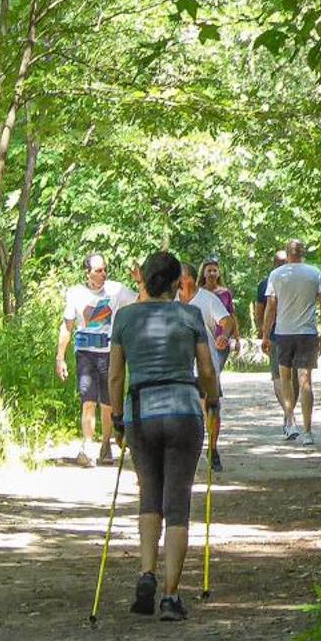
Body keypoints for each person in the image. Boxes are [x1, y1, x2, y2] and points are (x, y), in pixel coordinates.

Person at [109, 250, 220, 621]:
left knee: (148, 497)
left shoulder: (124, 318)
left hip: (141, 412)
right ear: (177, 284)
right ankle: (171, 597)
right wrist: (214, 398)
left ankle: (146, 573)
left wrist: (118, 418)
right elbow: (205, 368)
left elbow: (114, 376)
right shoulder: (189, 315)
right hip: (184, 412)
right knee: (177, 504)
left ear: (143, 279)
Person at [56, 253, 128, 467]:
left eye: (105, 269)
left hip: (109, 353)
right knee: (88, 400)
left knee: (107, 403)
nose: (103, 274)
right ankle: (88, 446)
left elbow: (142, 298)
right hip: (85, 353)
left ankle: (106, 446)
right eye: (98, 270)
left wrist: (142, 280)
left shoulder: (117, 290)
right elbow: (67, 326)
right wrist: (60, 357)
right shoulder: (76, 294)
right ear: (87, 273)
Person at [260, 239, 321, 445]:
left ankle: (290, 423)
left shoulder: (276, 275)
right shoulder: (315, 273)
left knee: (285, 379)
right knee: (305, 380)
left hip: (283, 333)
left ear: (288, 253)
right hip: (307, 333)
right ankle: (308, 431)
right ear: (303, 252)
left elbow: (270, 308)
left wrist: (265, 335)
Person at [179, 263, 236, 473]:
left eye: (181, 277)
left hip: (206, 364)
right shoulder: (172, 300)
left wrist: (224, 334)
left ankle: (212, 449)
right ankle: (187, 451)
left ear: (190, 278)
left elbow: (227, 320)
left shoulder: (207, 299)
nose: (178, 281)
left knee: (212, 406)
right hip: (180, 365)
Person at [253, 249, 287, 397]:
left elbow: (259, 312)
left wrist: (262, 331)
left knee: (278, 375)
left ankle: (288, 412)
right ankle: (289, 410)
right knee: (286, 375)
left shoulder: (265, 283)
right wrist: (262, 331)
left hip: (275, 334)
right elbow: (259, 311)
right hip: (285, 333)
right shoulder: (266, 284)